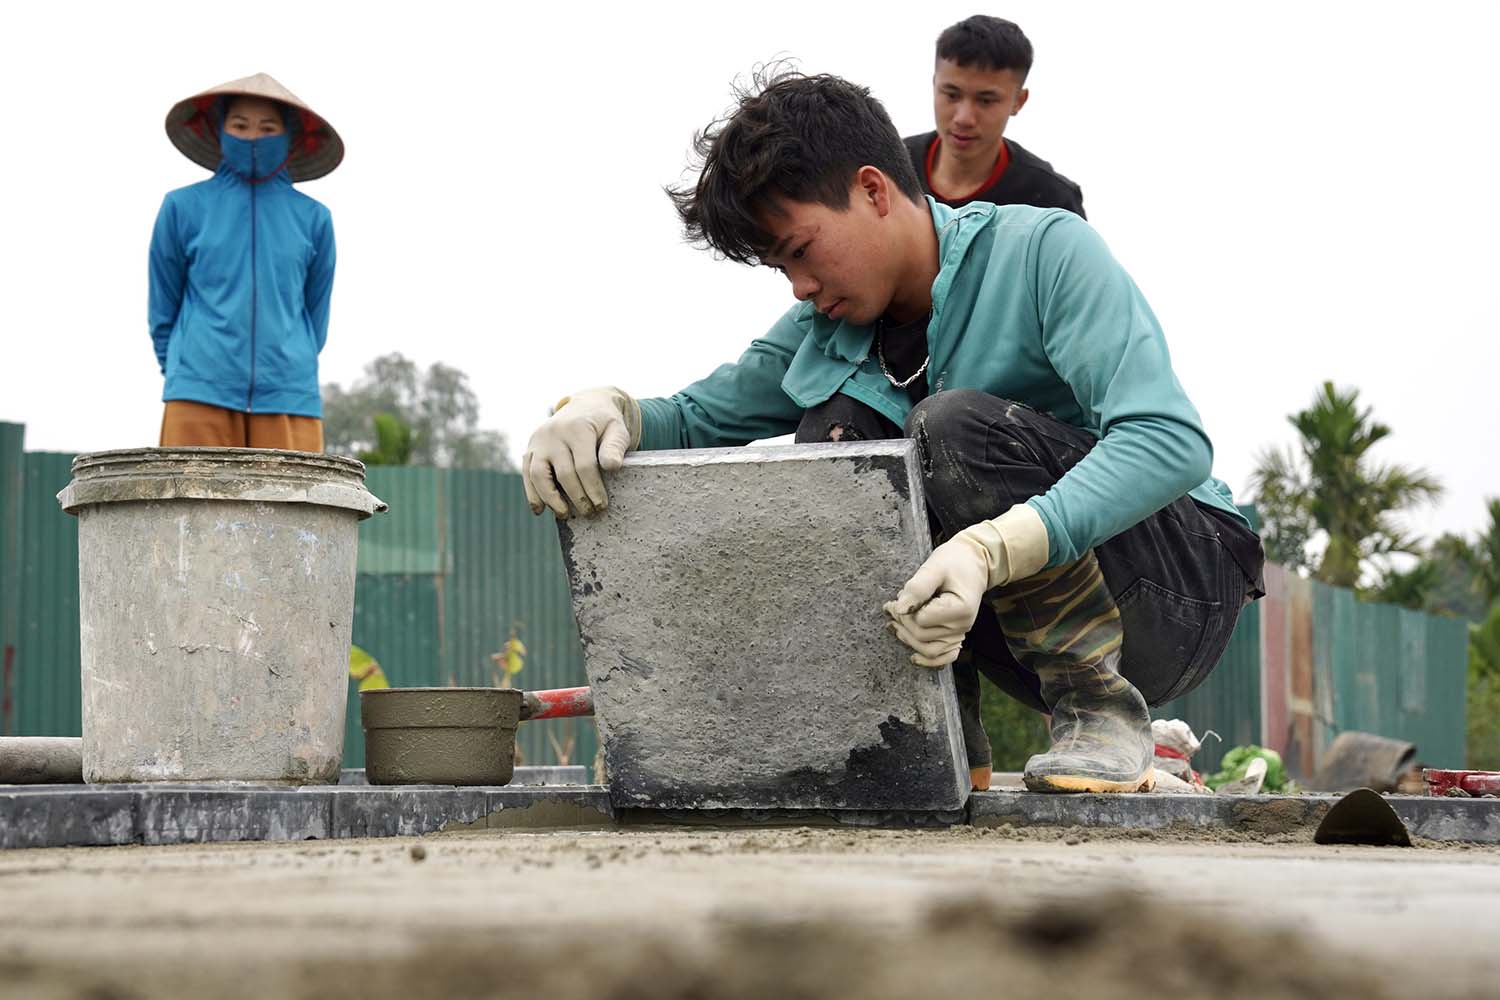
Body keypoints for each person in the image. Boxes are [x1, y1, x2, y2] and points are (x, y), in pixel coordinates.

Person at [521, 70, 1264, 795]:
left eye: (801, 251)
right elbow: (694, 416)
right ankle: (934, 735)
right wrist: (598, 409)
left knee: (952, 428)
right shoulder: (826, 332)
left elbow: (1169, 441)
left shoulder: (1044, 254)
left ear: (874, 190)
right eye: (781, 269)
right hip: (1013, 619)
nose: (800, 287)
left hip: (1176, 586)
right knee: (837, 438)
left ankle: (1099, 709)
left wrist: (989, 547)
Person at [150, 73, 343, 451]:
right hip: (197, 395)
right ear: (220, 130)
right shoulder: (182, 208)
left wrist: (287, 362)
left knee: (292, 508)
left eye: (267, 126)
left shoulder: (315, 219)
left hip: (289, 398)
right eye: (240, 124)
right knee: (192, 509)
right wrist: (187, 371)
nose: (253, 136)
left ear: (289, 136)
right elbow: (163, 309)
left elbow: (314, 319)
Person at [904, 15, 1084, 216]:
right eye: (952, 95)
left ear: (1019, 101)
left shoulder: (1051, 203)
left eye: (985, 100)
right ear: (934, 84)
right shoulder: (886, 170)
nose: (964, 119)